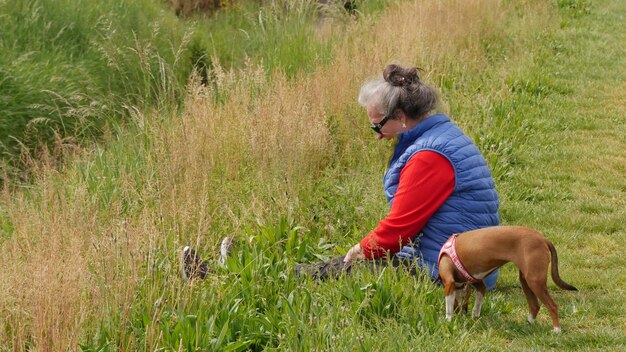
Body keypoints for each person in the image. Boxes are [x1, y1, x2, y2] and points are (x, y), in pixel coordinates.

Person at [182, 63, 501, 290]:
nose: (375, 134)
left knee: (341, 269)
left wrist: (363, 250)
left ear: (401, 117)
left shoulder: (430, 156)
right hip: (452, 256)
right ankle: (241, 269)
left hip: (450, 270)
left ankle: (223, 276)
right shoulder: (437, 135)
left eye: (377, 125)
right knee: (338, 267)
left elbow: (400, 226)